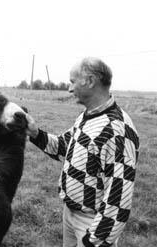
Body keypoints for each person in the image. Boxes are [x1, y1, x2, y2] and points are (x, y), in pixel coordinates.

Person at [26, 57, 139, 247]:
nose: (69, 89)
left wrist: (96, 240)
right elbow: (63, 147)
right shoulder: (88, 116)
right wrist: (35, 134)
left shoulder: (117, 130)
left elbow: (118, 197)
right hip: (70, 214)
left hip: (91, 224)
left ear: (91, 81)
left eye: (72, 81)